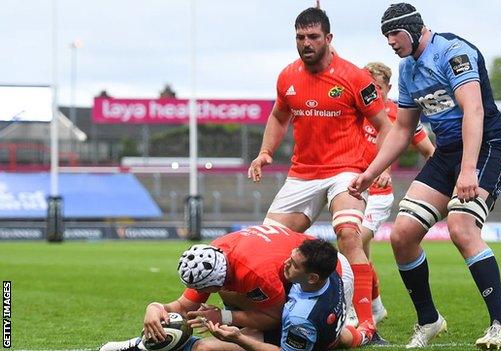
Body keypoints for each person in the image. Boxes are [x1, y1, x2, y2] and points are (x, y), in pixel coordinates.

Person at [349, 3, 501, 349]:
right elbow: (402, 129)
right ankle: (429, 320)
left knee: (461, 226)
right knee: (402, 235)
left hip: (486, 147)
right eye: (386, 37)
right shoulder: (408, 68)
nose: (391, 43)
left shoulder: (453, 52)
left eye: (394, 34)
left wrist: (469, 168)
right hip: (446, 154)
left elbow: (474, 110)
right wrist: (371, 172)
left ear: (413, 29)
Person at [247, 7, 392, 339]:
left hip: (346, 171)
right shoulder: (287, 77)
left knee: (349, 236)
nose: (306, 43)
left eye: (313, 37)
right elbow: (279, 117)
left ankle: (367, 322)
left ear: (328, 39)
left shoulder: (355, 77)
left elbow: (385, 127)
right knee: (267, 246)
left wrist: (379, 168)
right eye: (300, 37)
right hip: (302, 174)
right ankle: (274, 317)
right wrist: (265, 152)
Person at [98, 226, 367, 351]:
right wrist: (154, 307)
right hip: (309, 262)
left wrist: (228, 321)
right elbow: (184, 305)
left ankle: (360, 329)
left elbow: (273, 318)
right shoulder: (214, 256)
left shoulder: (258, 275)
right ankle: (363, 333)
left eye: (206, 289)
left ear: (216, 281)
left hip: (330, 276)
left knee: (322, 340)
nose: (202, 293)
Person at [357, 61, 435, 326]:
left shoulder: (401, 116)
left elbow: (430, 153)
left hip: (379, 194)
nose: (373, 92)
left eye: (377, 87)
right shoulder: (356, 111)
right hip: (354, 192)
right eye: (369, 87)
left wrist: (440, 182)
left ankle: (359, 312)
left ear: (388, 88)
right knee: (360, 254)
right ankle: (376, 307)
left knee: (354, 244)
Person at [205, 239, 377, 350]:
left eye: (294, 264)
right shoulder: (326, 269)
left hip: (306, 332)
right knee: (341, 339)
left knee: (206, 348)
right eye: (291, 257)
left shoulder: (301, 319)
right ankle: (365, 332)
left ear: (312, 278)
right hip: (328, 324)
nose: (286, 263)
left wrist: (239, 337)